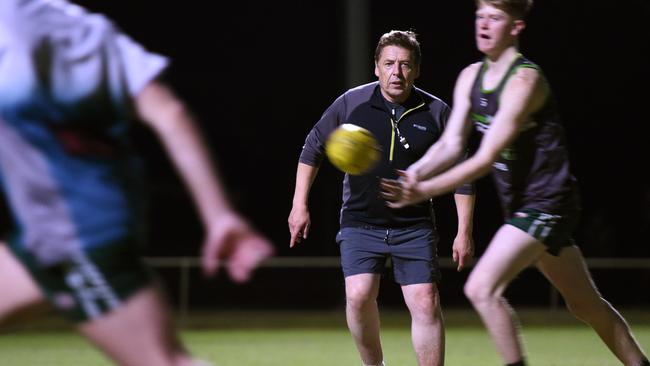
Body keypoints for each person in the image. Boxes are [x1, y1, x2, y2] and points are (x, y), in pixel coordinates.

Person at [0, 1, 273, 365]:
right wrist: (218, 214)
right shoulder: (84, 25)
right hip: (72, 221)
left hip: (76, 233)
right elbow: (168, 112)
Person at [380, 1, 649, 366]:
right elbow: (452, 143)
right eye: (479, 16)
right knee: (585, 305)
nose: (484, 24)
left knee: (481, 288)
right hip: (525, 209)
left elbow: (485, 156)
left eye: (495, 17)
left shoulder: (525, 80)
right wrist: (416, 173)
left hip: (548, 203)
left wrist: (424, 190)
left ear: (516, 27)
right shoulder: (470, 77)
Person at [288, 30, 476, 366]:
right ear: (376, 67)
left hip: (414, 225)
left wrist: (464, 230)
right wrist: (299, 204)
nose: (396, 72)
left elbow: (463, 171)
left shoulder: (436, 112)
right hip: (361, 222)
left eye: (405, 65)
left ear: (417, 70)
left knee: (425, 300)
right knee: (358, 297)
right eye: (389, 64)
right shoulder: (351, 103)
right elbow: (313, 146)